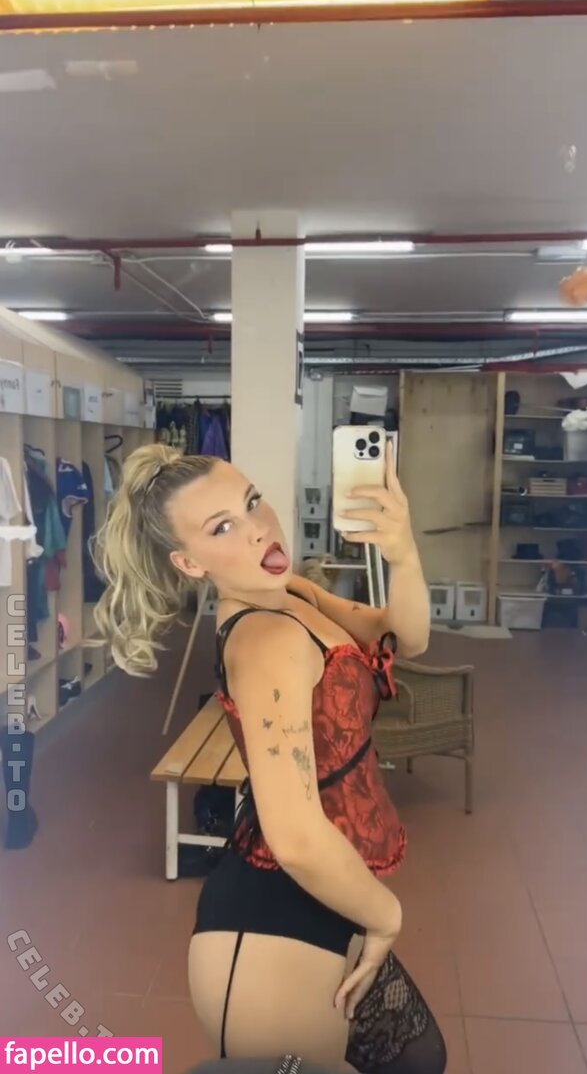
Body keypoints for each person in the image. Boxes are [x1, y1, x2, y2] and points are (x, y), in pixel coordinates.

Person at [93, 442, 446, 1074]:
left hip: (331, 893)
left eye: (252, 501)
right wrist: (387, 915)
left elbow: (407, 636)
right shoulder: (266, 640)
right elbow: (295, 837)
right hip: (270, 929)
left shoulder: (292, 595)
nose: (259, 527)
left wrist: (403, 552)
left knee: (417, 1058)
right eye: (222, 527)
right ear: (189, 562)